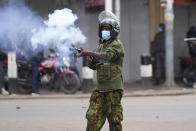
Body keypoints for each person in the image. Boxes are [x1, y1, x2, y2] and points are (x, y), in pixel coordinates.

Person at [78, 11, 125, 131]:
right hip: (100, 90)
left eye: (107, 29)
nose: (104, 31)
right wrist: (88, 57)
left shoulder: (117, 44)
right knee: (92, 119)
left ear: (113, 30)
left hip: (113, 90)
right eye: (102, 28)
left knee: (114, 121)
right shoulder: (100, 46)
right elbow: (93, 66)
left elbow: (108, 56)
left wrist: (89, 53)